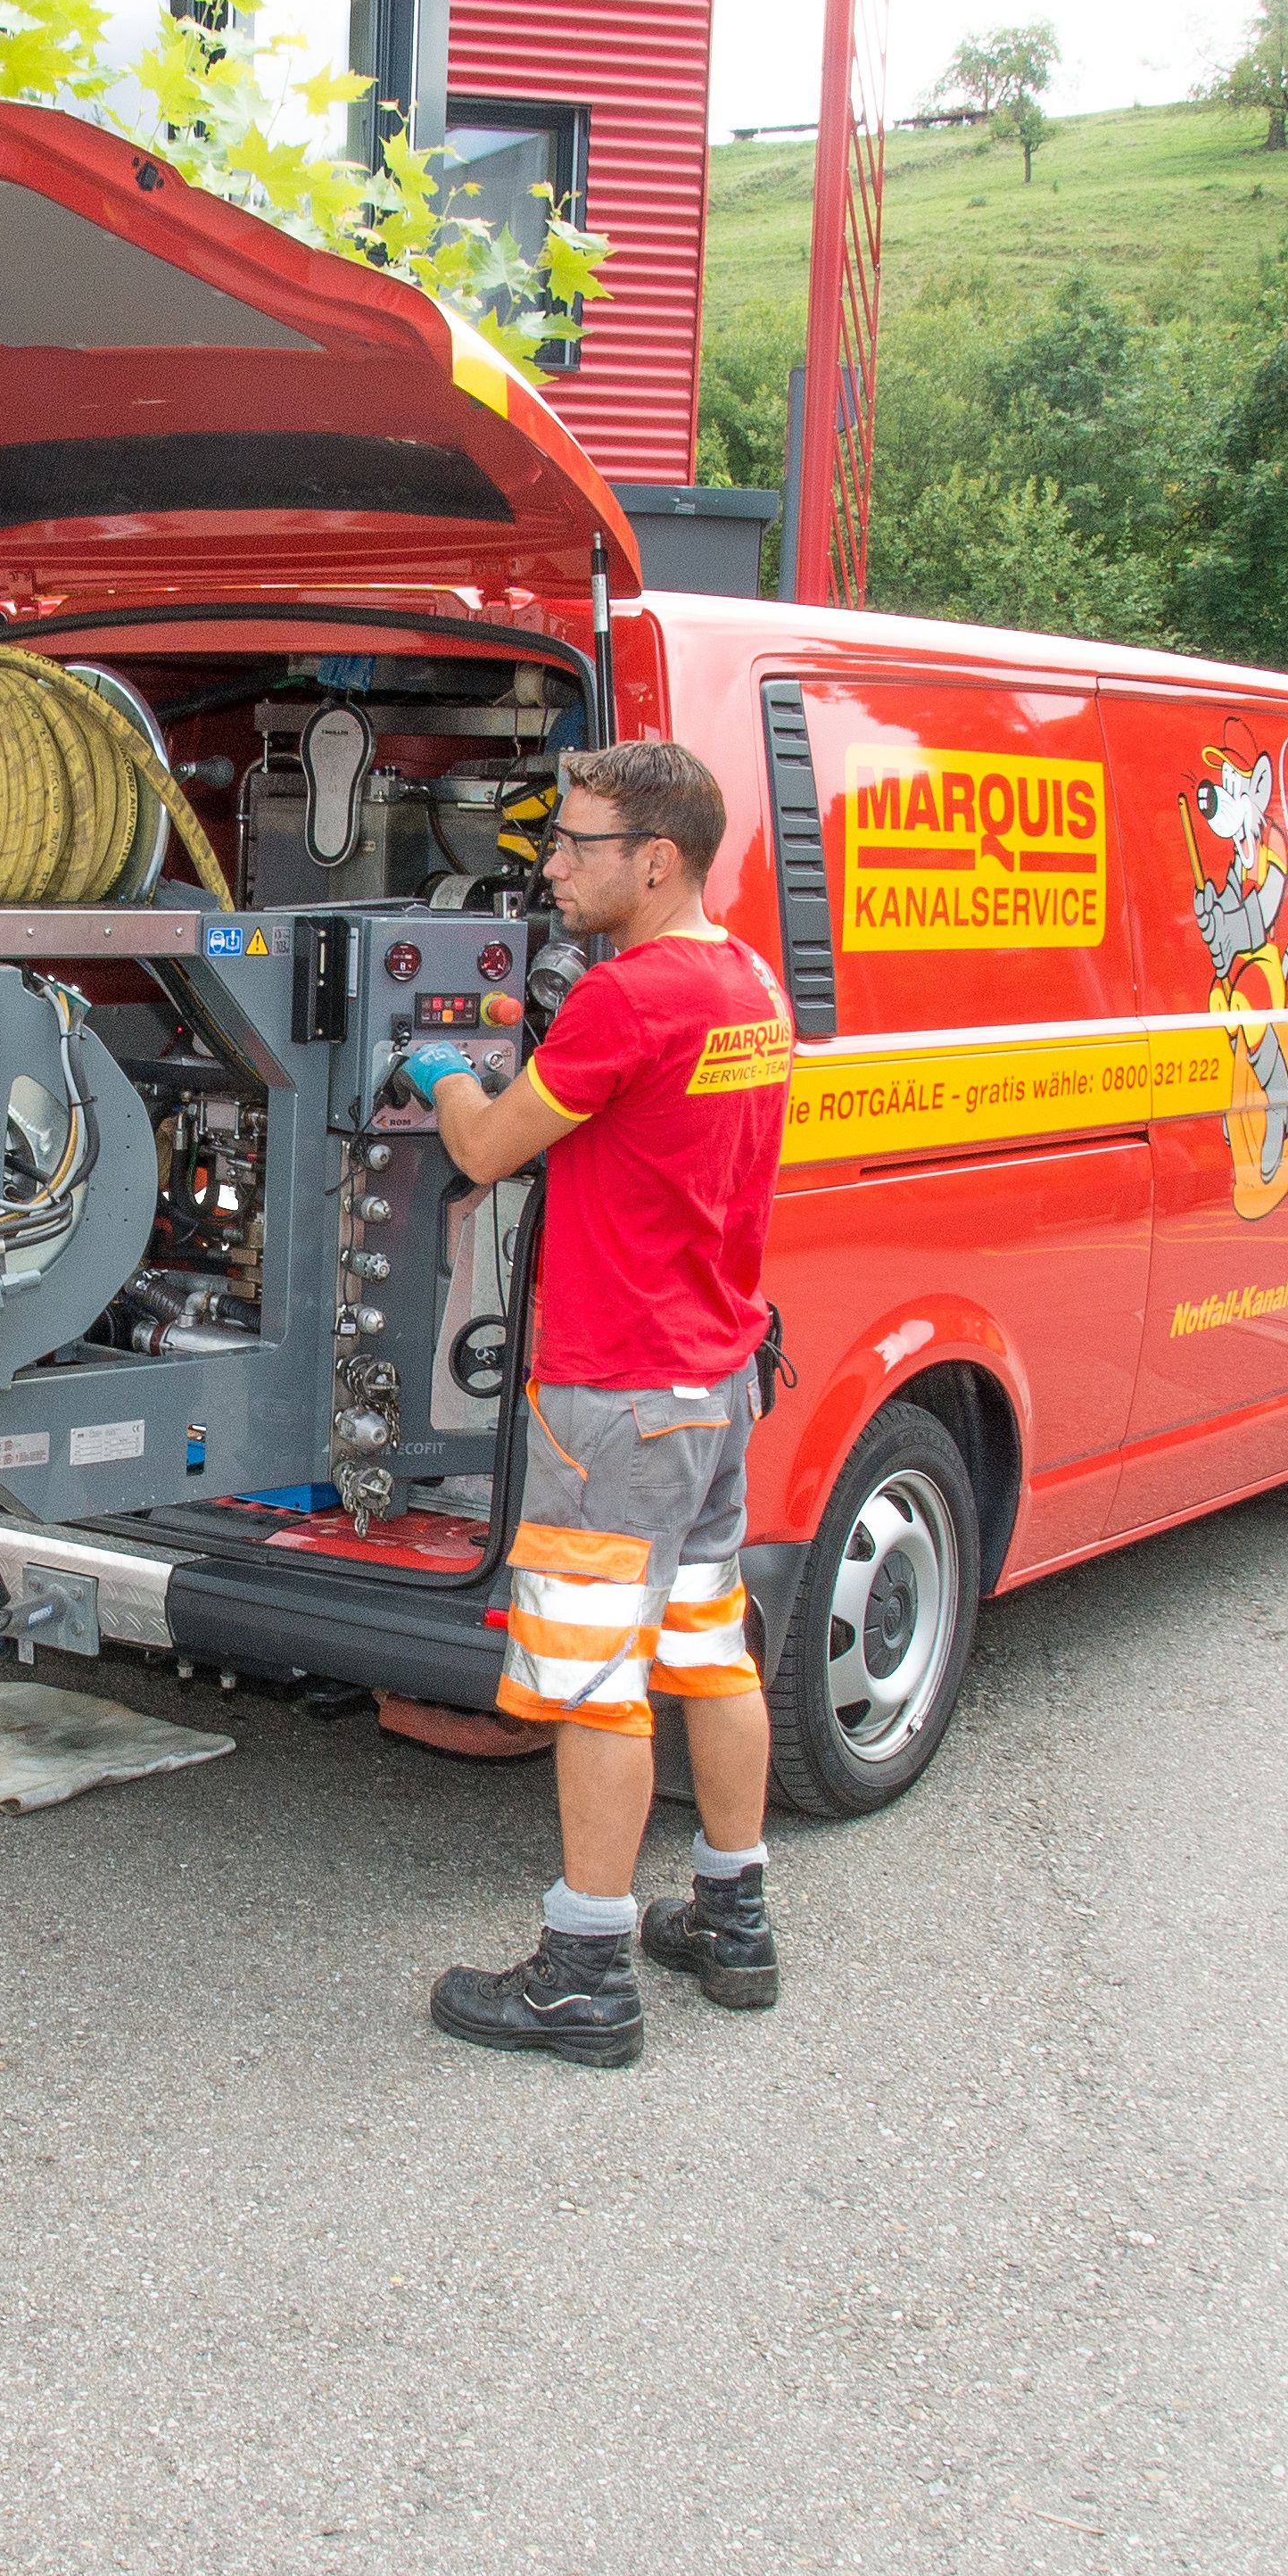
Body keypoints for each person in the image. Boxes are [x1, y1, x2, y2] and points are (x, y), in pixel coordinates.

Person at [398, 740, 794, 2067]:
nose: (551, 864)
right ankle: (731, 1918)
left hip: (616, 1396)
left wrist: (434, 1063)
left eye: (577, 845)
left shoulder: (631, 1003)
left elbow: (485, 1148)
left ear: (658, 860)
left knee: (594, 1685)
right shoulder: (750, 984)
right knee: (709, 1652)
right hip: (715, 1382)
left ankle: (582, 1971)